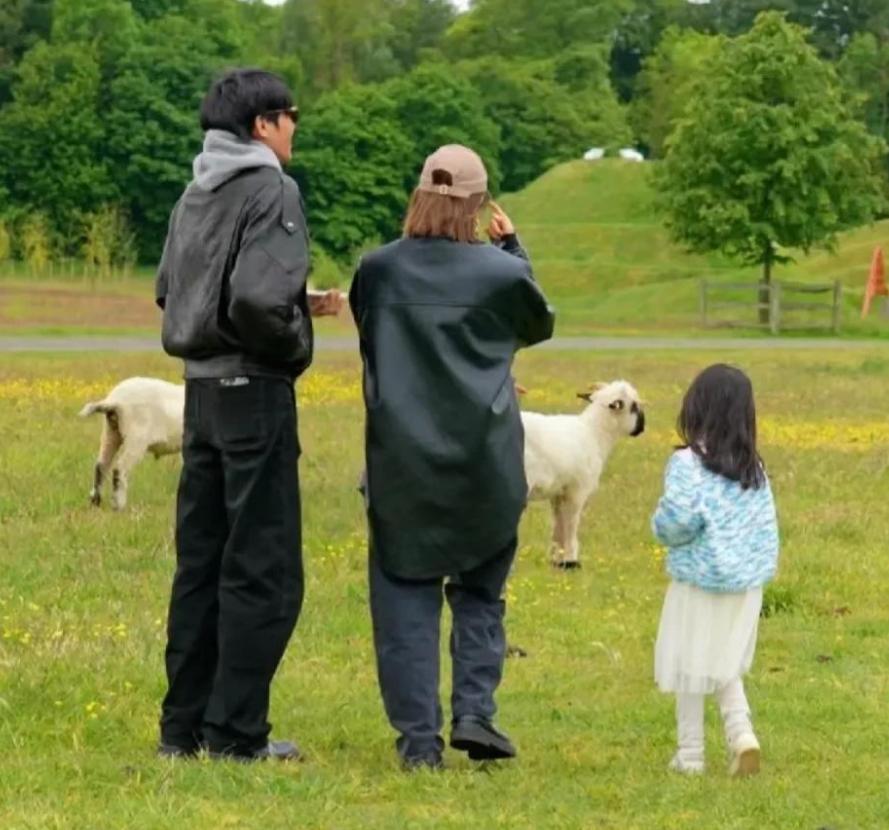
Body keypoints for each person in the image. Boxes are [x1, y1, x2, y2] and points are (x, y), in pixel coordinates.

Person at [154, 68, 340, 762]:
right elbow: (260, 304)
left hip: (198, 395)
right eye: (290, 115)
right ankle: (236, 735)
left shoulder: (192, 193)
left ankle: (183, 729)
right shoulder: (272, 189)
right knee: (262, 567)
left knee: (199, 563)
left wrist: (296, 299)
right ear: (263, 124)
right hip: (253, 393)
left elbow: (173, 292)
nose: (294, 127)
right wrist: (294, 342)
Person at [350, 144, 555, 770]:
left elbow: (368, 329)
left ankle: (418, 744)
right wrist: (513, 249)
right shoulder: (499, 273)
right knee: (480, 592)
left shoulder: (377, 270)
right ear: (477, 204)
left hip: (400, 464)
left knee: (404, 599)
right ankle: (475, 712)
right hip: (485, 462)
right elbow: (536, 323)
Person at [652, 364, 780, 777]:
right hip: (744, 587)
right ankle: (741, 734)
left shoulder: (688, 464)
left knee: (691, 664)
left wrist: (660, 527)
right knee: (723, 662)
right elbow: (766, 529)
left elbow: (677, 521)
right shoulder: (754, 470)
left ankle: (690, 755)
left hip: (699, 583)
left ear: (696, 408)